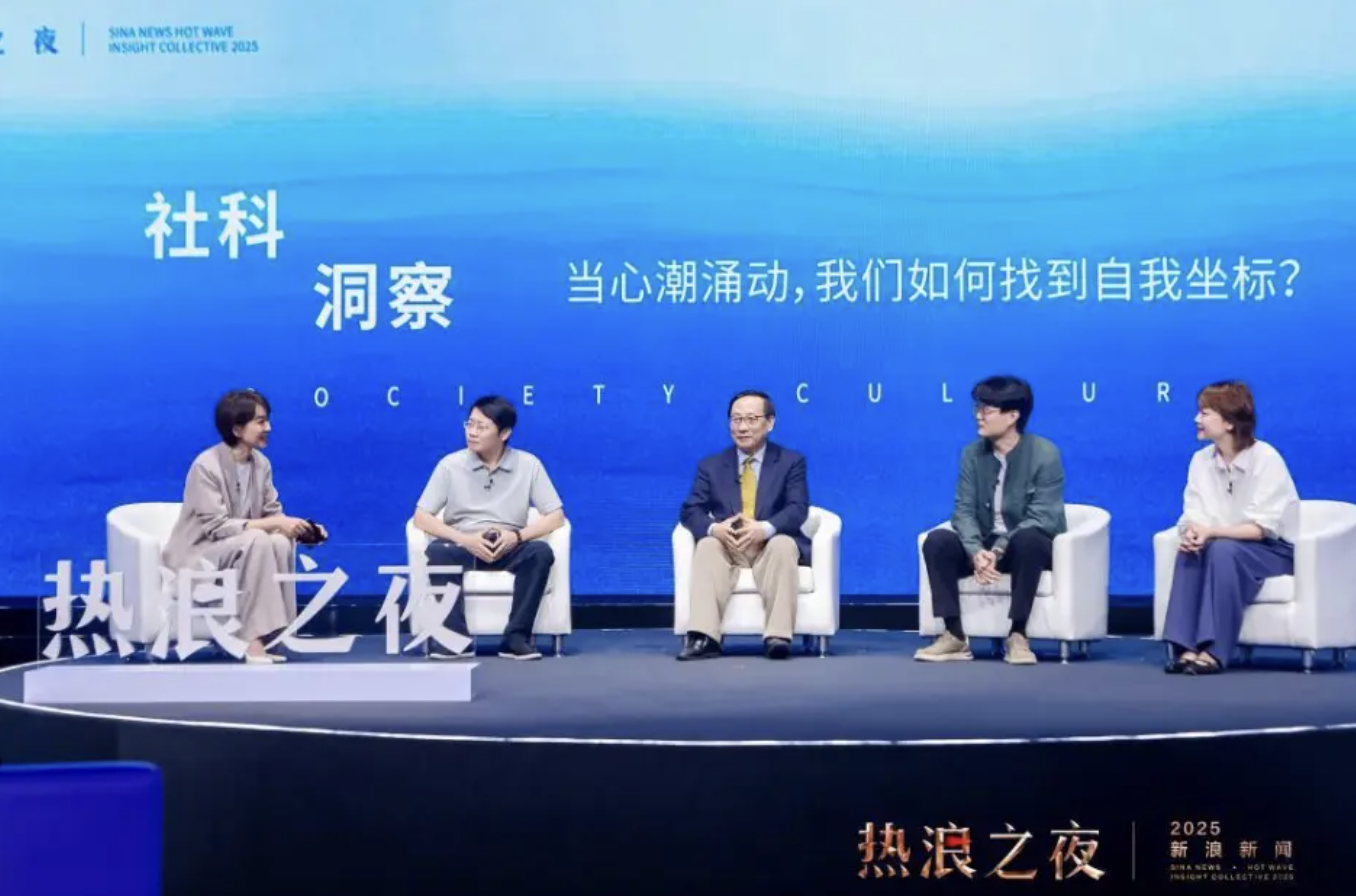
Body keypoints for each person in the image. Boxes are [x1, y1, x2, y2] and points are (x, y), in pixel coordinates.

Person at [162, 389, 323, 664]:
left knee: (278, 541)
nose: (268, 428)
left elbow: (272, 513)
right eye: (260, 422)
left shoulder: (261, 464)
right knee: (257, 539)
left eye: (267, 420)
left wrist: (304, 530)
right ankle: (251, 641)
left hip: (240, 550)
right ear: (237, 429)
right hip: (200, 554)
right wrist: (275, 523)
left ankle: (273, 635)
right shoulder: (206, 466)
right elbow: (216, 528)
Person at [915, 375, 1067, 665]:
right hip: (984, 546)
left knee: (1031, 539)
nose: (978, 415)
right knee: (937, 541)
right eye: (977, 408)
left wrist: (998, 550)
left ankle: (1018, 634)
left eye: (987, 409)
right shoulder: (971, 454)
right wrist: (976, 551)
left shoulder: (1045, 454)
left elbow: (1041, 516)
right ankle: (954, 635)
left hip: (1023, 547)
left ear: (1013, 416)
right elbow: (963, 511)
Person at [1161, 381, 1299, 675]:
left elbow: (1261, 528)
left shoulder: (1266, 458)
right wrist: (1193, 533)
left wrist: (1211, 533)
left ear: (1229, 422)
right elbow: (1194, 511)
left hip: (1274, 551)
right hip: (1223, 544)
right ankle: (1185, 647)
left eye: (1205, 413)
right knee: (1191, 550)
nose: (1196, 419)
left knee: (1223, 550)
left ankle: (1215, 651)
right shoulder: (1200, 461)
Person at [413, 395, 564, 660]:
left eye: (481, 427)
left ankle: (515, 639)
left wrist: (517, 536)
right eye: (469, 424)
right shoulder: (450, 465)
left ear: (504, 433)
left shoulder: (529, 465)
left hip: (509, 546)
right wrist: (465, 539)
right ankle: (455, 640)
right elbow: (421, 517)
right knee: (438, 552)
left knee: (540, 552)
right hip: (464, 546)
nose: (472, 432)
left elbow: (556, 516)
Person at [677, 390, 810, 661]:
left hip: (769, 545)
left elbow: (798, 508)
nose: (742, 427)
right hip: (729, 546)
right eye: (736, 419)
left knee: (784, 545)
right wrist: (715, 529)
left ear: (769, 423)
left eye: (751, 419)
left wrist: (765, 528)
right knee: (707, 545)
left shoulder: (790, 462)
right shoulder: (711, 465)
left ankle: (777, 637)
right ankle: (704, 637)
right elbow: (690, 510)